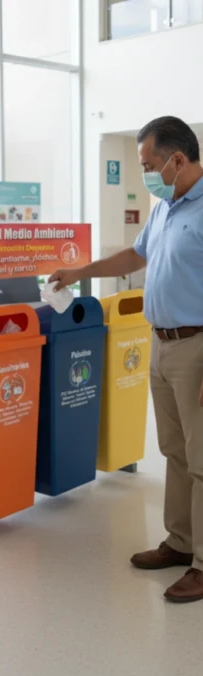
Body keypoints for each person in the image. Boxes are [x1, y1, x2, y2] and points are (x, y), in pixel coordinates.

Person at [50, 115, 203, 603]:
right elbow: (136, 257)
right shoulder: (164, 206)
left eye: (149, 164)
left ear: (178, 160)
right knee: (175, 453)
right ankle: (181, 543)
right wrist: (80, 271)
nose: (146, 174)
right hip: (162, 342)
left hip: (198, 348)